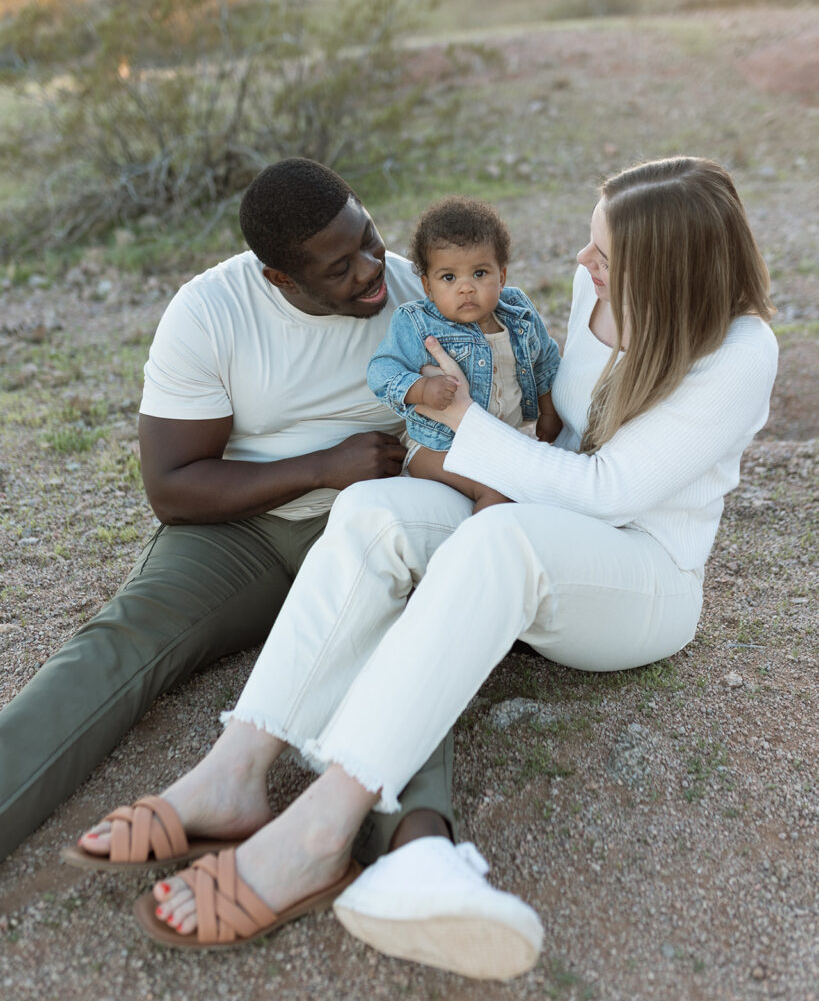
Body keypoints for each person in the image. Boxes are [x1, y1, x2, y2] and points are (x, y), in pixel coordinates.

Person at [67, 156, 777, 980]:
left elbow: (608, 491)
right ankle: (235, 772)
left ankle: (318, 834)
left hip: (640, 576)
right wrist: (476, 442)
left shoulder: (740, 349)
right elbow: (553, 420)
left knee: (496, 540)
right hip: (540, 512)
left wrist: (467, 430)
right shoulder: (597, 291)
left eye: (605, 256)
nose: (583, 267)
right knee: (370, 511)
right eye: (591, 247)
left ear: (670, 266)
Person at [0, 157, 463, 872]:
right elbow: (173, 487)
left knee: (403, 646)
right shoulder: (210, 312)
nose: (372, 268)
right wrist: (319, 468)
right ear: (280, 277)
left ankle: (416, 854)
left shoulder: (421, 295)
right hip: (238, 533)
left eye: (369, 237)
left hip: (367, 532)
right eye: (339, 268)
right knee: (123, 640)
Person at [367, 196, 561, 510]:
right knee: (499, 492)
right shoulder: (416, 322)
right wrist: (422, 389)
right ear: (427, 286)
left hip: (504, 439)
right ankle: (474, 551)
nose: (466, 287)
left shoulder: (518, 313)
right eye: (449, 277)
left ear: (503, 275)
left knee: (548, 485)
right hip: (437, 447)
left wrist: (549, 412)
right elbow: (381, 371)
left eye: (480, 273)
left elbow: (545, 361)